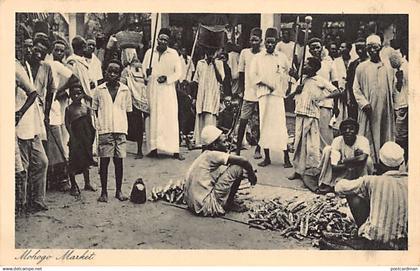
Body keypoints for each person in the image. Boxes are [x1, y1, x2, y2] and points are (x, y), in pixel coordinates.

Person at [335, 141, 407, 250]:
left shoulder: (372, 181)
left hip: (376, 239)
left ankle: (365, 232)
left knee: (353, 194)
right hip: (404, 239)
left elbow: (339, 187)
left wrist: (350, 170)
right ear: (401, 163)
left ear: (379, 162)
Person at [288, 57, 341, 185]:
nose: (304, 67)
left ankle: (312, 171)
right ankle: (298, 170)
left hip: (312, 115)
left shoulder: (320, 80)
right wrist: (297, 91)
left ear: (314, 68)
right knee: (299, 144)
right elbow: (289, 97)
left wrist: (323, 98)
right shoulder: (302, 80)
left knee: (312, 145)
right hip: (300, 114)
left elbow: (337, 91)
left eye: (307, 65)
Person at [183, 125, 257, 216]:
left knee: (226, 167)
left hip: (193, 204)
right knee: (238, 167)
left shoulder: (204, 155)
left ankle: (226, 200)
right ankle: (229, 204)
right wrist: (252, 175)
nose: (227, 144)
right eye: (224, 142)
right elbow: (244, 161)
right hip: (207, 205)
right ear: (214, 145)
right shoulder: (213, 155)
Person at [16, 37, 50, 213]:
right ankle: (23, 203)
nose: (30, 51)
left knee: (42, 162)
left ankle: (37, 199)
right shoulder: (17, 68)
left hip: (34, 122)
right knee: (23, 166)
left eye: (32, 48)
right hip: (21, 124)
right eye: (27, 47)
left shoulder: (34, 68)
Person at [249, 27, 291, 168]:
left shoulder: (282, 57)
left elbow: (288, 73)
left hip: (277, 96)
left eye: (272, 42)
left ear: (276, 42)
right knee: (265, 125)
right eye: (267, 42)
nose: (270, 45)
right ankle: (267, 157)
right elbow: (253, 76)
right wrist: (266, 83)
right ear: (264, 42)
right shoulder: (258, 58)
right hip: (264, 95)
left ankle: (286, 158)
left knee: (280, 125)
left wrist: (285, 85)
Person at [92, 60, 132, 202]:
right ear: (105, 72)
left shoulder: (125, 90)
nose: (113, 75)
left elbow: (127, 110)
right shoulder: (99, 90)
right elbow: (95, 109)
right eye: (110, 71)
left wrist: (123, 128)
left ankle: (119, 191)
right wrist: (101, 125)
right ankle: (103, 192)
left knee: (119, 161)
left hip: (120, 129)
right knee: (104, 161)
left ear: (120, 74)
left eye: (116, 72)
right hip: (105, 129)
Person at [353, 34, 395, 165]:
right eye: (369, 48)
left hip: (384, 108)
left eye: (375, 48)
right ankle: (370, 163)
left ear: (380, 48)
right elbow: (356, 88)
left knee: (384, 132)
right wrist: (364, 103)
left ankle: (384, 161)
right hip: (368, 108)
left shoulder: (387, 67)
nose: (372, 51)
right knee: (368, 135)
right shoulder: (361, 67)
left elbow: (393, 87)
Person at [142, 28, 184, 160]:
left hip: (167, 90)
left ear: (168, 41)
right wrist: (146, 74)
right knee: (153, 118)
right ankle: (154, 149)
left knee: (169, 118)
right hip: (153, 89)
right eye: (161, 39)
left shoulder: (173, 54)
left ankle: (175, 150)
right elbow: (144, 69)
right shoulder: (150, 53)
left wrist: (167, 78)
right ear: (157, 39)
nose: (163, 42)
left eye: (166, 40)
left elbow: (178, 73)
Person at [317, 118, 373, 194]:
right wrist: (355, 161)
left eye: (351, 129)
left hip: (358, 172)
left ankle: (365, 182)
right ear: (341, 132)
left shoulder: (363, 140)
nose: (347, 131)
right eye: (345, 129)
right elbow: (334, 166)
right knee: (327, 149)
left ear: (356, 132)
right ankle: (326, 182)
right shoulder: (337, 141)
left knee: (368, 160)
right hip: (343, 173)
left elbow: (363, 158)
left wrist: (344, 161)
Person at [15, 59, 41, 215]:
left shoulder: (17, 68)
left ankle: (23, 203)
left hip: (24, 124)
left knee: (21, 166)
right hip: (23, 125)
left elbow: (33, 93)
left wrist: (19, 113)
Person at [65, 81, 97, 196]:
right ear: (71, 96)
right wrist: (72, 138)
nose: (77, 96)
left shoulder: (86, 108)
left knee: (86, 162)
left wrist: (91, 138)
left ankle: (87, 183)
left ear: (83, 94)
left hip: (86, 138)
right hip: (75, 138)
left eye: (79, 93)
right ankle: (73, 185)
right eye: (74, 94)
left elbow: (90, 124)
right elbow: (67, 124)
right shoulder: (69, 109)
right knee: (73, 163)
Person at [235, 27, 263, 159]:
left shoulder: (264, 54)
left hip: (262, 92)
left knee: (261, 122)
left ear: (261, 41)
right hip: (248, 92)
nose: (254, 42)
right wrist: (241, 90)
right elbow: (241, 72)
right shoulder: (244, 53)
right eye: (252, 40)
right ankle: (238, 149)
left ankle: (259, 148)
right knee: (243, 120)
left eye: (256, 40)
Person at [307, 38, 339, 149]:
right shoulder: (306, 63)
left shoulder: (329, 63)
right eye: (312, 48)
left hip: (326, 102)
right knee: (311, 133)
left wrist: (336, 105)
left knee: (325, 133)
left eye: (317, 47)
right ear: (309, 50)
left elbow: (335, 85)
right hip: (310, 103)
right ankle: (314, 160)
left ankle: (328, 158)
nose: (315, 50)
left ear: (322, 48)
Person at [192, 46, 225, 147]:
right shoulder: (200, 63)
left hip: (212, 96)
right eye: (208, 51)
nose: (210, 53)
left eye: (213, 51)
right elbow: (195, 81)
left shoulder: (219, 63)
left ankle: (211, 143)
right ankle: (202, 144)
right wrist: (194, 97)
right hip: (201, 96)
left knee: (210, 118)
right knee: (201, 117)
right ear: (205, 51)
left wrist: (214, 63)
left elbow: (221, 79)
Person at [120, 50, 146, 159]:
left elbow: (122, 84)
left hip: (132, 100)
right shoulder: (142, 68)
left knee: (131, 125)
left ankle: (133, 150)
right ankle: (139, 150)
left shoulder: (127, 70)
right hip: (139, 100)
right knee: (137, 125)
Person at [389, 50, 408, 165]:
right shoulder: (406, 67)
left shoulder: (401, 70)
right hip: (404, 105)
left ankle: (402, 161)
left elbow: (399, 88)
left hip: (403, 105)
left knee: (401, 136)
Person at [330, 41, 352, 132]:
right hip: (340, 86)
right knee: (341, 106)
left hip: (350, 87)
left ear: (349, 49)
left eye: (343, 47)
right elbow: (335, 76)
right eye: (341, 47)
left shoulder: (353, 60)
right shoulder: (336, 61)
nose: (341, 49)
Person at [345, 38, 369, 120]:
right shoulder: (353, 64)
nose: (359, 51)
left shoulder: (371, 63)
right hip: (354, 97)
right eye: (357, 48)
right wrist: (349, 98)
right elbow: (348, 83)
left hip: (368, 96)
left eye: (362, 48)